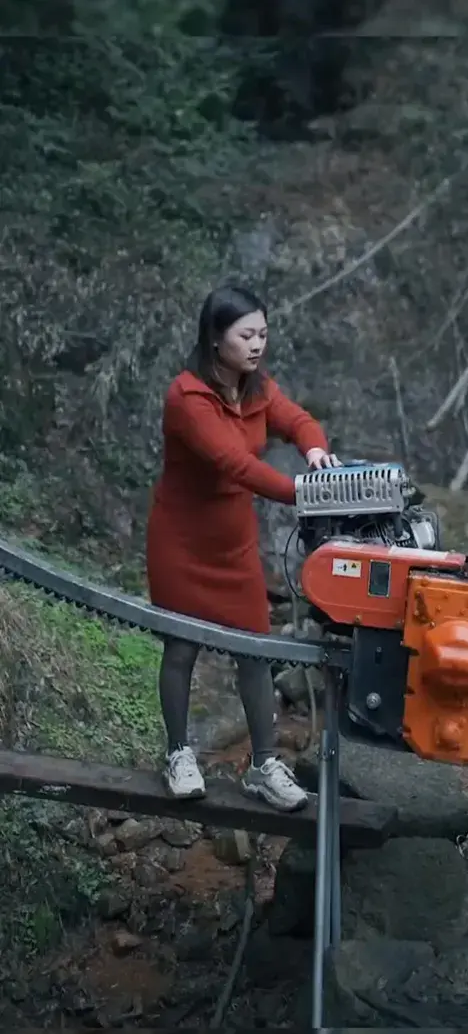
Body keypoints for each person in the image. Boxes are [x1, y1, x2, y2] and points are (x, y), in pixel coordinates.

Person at [146, 285, 340, 811]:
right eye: (246, 335)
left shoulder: (257, 389)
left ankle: (264, 765)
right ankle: (178, 755)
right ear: (215, 339)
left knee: (254, 650)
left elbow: (297, 420)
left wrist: (315, 450)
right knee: (181, 648)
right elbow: (236, 464)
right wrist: (301, 492)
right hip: (182, 540)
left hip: (233, 545)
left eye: (263, 334)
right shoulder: (187, 399)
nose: (258, 344)